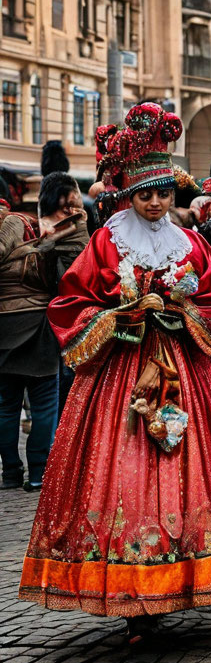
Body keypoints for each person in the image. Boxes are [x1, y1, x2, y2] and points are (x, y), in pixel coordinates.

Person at [19, 103, 211, 641]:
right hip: (122, 375)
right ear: (129, 194)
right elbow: (70, 303)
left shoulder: (190, 241)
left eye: (163, 194)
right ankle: (135, 597)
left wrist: (181, 309)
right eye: (145, 194)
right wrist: (122, 312)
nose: (155, 203)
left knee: (188, 467)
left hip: (181, 368)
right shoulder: (107, 240)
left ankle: (181, 577)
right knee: (122, 471)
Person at [0, 173, 88, 489]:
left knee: (7, 405)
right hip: (38, 327)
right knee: (44, 403)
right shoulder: (36, 231)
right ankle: (38, 472)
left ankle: (10, 471)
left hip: (3, 329)